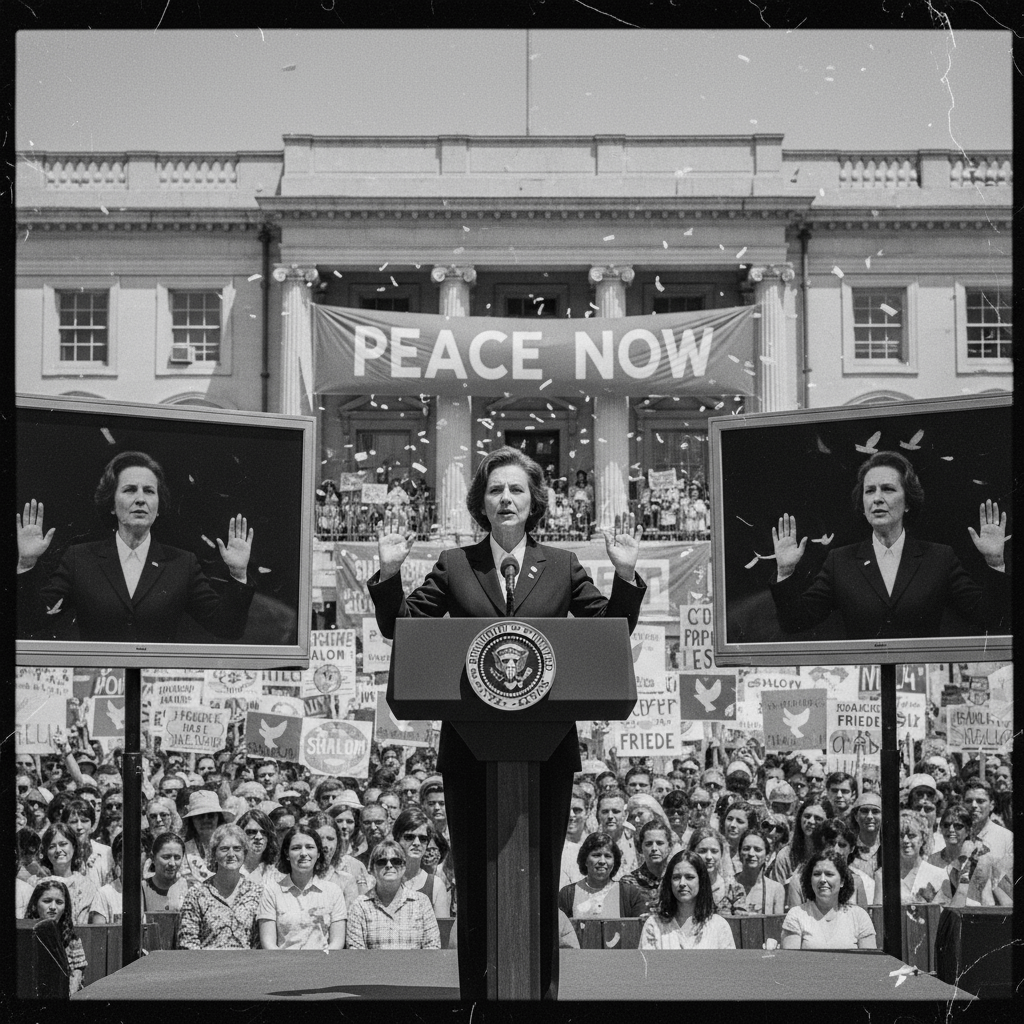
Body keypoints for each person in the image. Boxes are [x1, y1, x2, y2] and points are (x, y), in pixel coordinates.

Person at [367, 444, 646, 1000]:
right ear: (482, 503)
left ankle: (541, 998)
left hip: (548, 747)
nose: (506, 498)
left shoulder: (562, 565)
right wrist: (389, 574)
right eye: (496, 490)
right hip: (471, 746)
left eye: (517, 488)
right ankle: (476, 998)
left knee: (538, 877)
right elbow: (406, 631)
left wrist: (626, 575)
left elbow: (607, 635)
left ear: (534, 500)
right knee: (475, 876)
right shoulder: (455, 565)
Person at [16, 450, 256, 643]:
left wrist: (238, 574)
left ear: (158, 506)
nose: (140, 499)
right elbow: (31, 621)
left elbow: (227, 629)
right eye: (130, 490)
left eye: (149, 491)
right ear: (111, 504)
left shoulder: (183, 564)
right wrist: (27, 564)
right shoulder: (79, 559)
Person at [770, 451, 1009, 640]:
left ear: (907, 502)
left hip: (922, 686)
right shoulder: (839, 561)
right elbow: (794, 622)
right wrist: (785, 572)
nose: (877, 499)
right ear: (862, 504)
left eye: (888, 489)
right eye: (869, 491)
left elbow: (990, 619)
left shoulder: (939, 558)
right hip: (863, 690)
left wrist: (995, 562)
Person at [257, 824, 347, 950]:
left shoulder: (333, 892)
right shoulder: (271, 892)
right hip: (284, 965)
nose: (303, 853)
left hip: (323, 965)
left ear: (318, 853)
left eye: (310, 847)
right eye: (296, 848)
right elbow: (268, 943)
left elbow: (337, 941)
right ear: (287, 854)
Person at [176, 824, 263, 950]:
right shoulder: (197, 894)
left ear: (244, 853)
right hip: (207, 966)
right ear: (214, 854)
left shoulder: (257, 893)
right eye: (224, 849)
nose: (231, 854)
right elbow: (187, 943)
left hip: (246, 966)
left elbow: (260, 943)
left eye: (237, 849)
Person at [346, 839, 442, 950]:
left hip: (416, 967)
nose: (389, 865)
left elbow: (433, 946)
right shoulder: (359, 906)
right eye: (381, 862)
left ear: (404, 867)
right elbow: (356, 953)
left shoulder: (421, 902)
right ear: (371, 869)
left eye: (395, 861)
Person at [780, 847, 877, 950]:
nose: (822, 879)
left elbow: (870, 961)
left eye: (829, 874)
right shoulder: (796, 915)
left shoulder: (859, 916)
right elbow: (791, 962)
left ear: (842, 881)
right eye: (817, 874)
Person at [639, 851, 737, 950]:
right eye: (676, 877)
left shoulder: (719, 926)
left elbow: (729, 965)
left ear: (701, 881)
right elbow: (647, 965)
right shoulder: (654, 925)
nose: (682, 883)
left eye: (689, 877)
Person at [557, 831, 648, 920]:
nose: (602, 861)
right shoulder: (567, 894)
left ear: (614, 862)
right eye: (596, 855)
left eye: (608, 856)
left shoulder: (630, 894)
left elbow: (638, 930)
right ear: (585, 860)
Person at [24, 879, 88, 994]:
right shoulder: (24, 937)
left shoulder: (72, 941)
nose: (53, 907)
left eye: (59, 902)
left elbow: (76, 977)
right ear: (35, 904)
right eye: (47, 901)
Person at [392, 808, 451, 918]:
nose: (416, 843)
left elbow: (442, 932)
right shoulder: (381, 879)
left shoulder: (436, 885)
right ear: (397, 839)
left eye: (423, 839)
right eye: (409, 837)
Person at [38, 822, 97, 925]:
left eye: (63, 844)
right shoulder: (38, 883)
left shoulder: (87, 886)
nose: (58, 850)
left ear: (73, 847)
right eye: (52, 846)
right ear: (46, 852)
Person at [768, 796, 834, 886]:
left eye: (818, 818)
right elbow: (776, 893)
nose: (810, 821)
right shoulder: (786, 856)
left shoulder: (834, 853)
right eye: (807, 816)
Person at [892, 810, 951, 905]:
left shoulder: (939, 875)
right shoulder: (885, 875)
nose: (905, 840)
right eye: (901, 836)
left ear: (923, 838)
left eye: (911, 836)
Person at [619, 820, 675, 914]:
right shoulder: (628, 883)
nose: (654, 848)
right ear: (641, 848)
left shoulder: (676, 879)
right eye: (648, 844)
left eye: (659, 843)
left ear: (669, 846)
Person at [688, 826, 745, 914]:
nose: (709, 857)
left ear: (721, 854)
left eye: (714, 851)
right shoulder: (684, 887)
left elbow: (742, 924)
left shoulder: (734, 890)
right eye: (702, 851)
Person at [180, 790, 233, 883]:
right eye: (200, 816)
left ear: (218, 818)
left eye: (211, 815)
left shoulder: (231, 846)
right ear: (192, 820)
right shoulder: (184, 851)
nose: (206, 820)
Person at [732, 829, 785, 915]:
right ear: (740, 853)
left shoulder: (776, 890)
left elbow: (776, 926)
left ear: (767, 856)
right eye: (746, 849)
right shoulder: (729, 885)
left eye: (757, 849)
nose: (751, 853)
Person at [143, 832, 191, 914]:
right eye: (166, 857)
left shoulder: (189, 889)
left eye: (177, 858)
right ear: (153, 858)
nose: (172, 863)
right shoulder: (142, 889)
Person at [236, 809, 279, 884]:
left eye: (264, 832)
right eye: (252, 832)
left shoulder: (276, 873)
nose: (258, 837)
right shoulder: (229, 870)